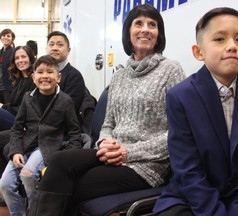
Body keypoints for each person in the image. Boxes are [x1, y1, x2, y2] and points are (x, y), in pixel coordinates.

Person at [28, 4, 186, 216]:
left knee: (68, 185)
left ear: (159, 34)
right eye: (138, 23)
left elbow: (179, 133)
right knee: (59, 161)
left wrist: (128, 152)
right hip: (111, 153)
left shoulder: (171, 70)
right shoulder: (120, 75)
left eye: (152, 25)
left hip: (147, 164)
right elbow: (108, 123)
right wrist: (104, 142)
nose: (145, 29)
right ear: (128, 32)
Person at [153, 7, 238, 216]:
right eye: (220, 39)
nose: (232, 46)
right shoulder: (180, 96)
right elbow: (187, 167)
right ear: (199, 52)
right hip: (194, 196)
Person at [0, 55, 82, 216]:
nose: (45, 76)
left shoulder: (65, 101)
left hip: (48, 148)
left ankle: (37, 211)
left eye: (50, 72)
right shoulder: (27, 98)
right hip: (25, 146)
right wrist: (15, 151)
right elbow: (17, 128)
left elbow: (74, 132)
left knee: (28, 174)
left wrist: (64, 158)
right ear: (33, 77)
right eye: (40, 72)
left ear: (58, 77)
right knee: (5, 184)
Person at [47, 31, 96, 134]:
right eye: (51, 44)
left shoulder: (74, 76)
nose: (54, 48)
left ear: (68, 50)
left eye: (60, 45)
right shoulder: (43, 75)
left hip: (62, 132)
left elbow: (67, 111)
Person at [0, 45, 36, 131]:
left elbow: (27, 109)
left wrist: (3, 107)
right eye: (17, 58)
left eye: (23, 57)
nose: (20, 60)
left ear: (31, 58)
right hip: (15, 116)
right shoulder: (19, 80)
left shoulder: (34, 80)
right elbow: (14, 104)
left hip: (24, 122)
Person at [0, 29, 15, 103]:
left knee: (8, 108)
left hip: (8, 87)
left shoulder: (14, 52)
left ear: (12, 39)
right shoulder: (1, 52)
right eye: (3, 35)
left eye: (8, 36)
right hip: (0, 86)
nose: (5, 37)